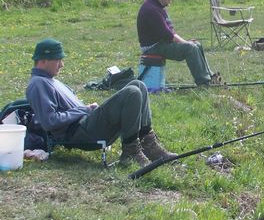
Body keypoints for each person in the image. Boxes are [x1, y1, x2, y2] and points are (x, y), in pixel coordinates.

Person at [25, 38, 176, 167]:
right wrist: (84, 110)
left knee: (139, 86)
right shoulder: (38, 84)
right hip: (78, 132)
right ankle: (130, 151)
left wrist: (85, 110)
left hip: (85, 123)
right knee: (132, 93)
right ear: (43, 61)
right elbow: (49, 122)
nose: (62, 65)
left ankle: (149, 145)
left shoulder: (48, 80)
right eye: (58, 60)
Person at [137, 0, 219, 86]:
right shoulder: (152, 9)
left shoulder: (158, 7)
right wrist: (186, 43)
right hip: (152, 47)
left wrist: (187, 42)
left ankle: (210, 77)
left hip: (161, 43)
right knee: (191, 48)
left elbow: (170, 31)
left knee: (196, 44)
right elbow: (168, 35)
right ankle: (204, 82)